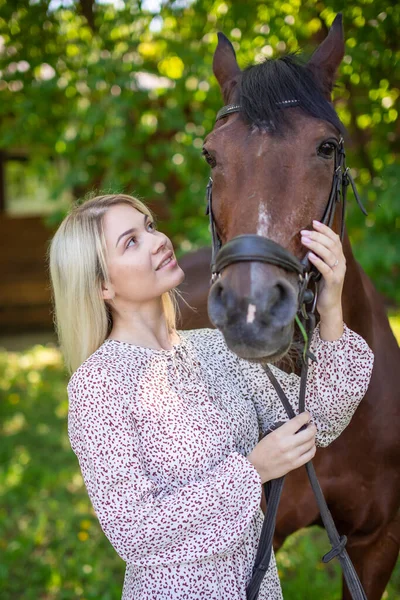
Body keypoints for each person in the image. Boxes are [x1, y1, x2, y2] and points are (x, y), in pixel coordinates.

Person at [49, 193, 374, 600]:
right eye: (131, 241)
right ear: (101, 285)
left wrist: (331, 305)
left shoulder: (216, 348)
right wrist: (252, 471)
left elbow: (318, 418)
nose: (158, 240)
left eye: (149, 226)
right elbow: (136, 531)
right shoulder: (98, 384)